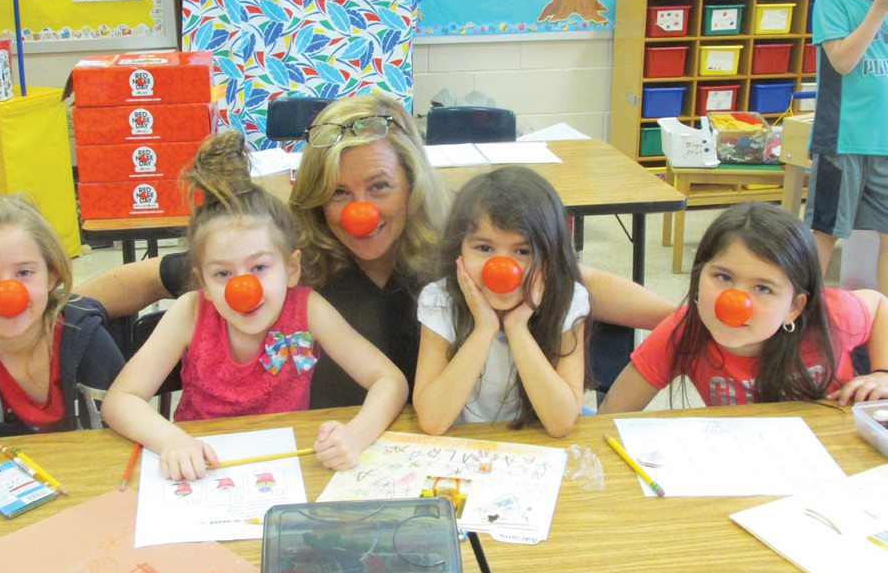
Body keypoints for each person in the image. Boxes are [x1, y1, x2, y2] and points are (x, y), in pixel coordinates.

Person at [76, 94, 677, 408]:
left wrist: (682, 318)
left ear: (411, 183)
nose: (359, 212)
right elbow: (158, 275)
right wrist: (66, 311)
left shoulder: (454, 256)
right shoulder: (284, 262)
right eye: (339, 193)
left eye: (379, 188)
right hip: (325, 445)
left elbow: (579, 279)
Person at [100, 132, 408, 481]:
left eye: (259, 267)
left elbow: (389, 380)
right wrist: (172, 440)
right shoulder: (190, 312)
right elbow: (120, 400)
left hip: (286, 465)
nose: (241, 289)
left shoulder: (307, 310)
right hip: (200, 471)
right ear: (203, 282)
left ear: (291, 269)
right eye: (222, 273)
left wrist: (356, 434)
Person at [599, 202, 888, 414]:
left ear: (795, 307)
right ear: (699, 277)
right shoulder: (683, 332)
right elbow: (612, 414)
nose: (735, 301)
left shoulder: (831, 313)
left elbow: (879, 307)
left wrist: (883, 374)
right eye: (723, 277)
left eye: (763, 288)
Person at [0, 193, 124, 442]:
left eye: (24, 272)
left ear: (51, 276)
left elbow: (123, 437)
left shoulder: (88, 338)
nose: (7, 293)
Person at [413, 167, 588, 437]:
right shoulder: (440, 301)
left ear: (550, 256)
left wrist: (518, 327)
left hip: (536, 443)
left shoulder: (568, 300)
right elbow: (432, 420)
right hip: (464, 446)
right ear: (459, 249)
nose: (501, 267)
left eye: (523, 251)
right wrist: (484, 328)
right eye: (484, 248)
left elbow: (561, 422)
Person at [805, 0, 888, 295]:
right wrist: (879, 10)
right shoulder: (832, 0)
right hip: (842, 141)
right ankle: (801, 318)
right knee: (824, 233)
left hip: (883, 143)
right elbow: (842, 61)